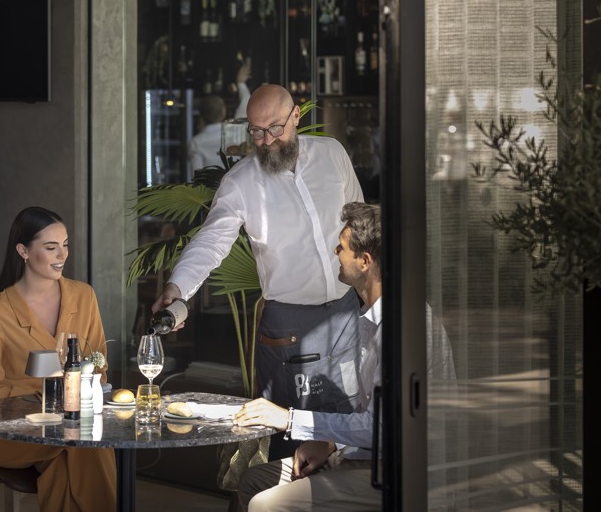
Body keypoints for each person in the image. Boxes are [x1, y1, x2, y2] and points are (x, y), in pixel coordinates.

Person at [154, 83, 365, 457]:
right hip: (288, 324)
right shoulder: (241, 182)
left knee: (349, 417)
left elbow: (359, 221)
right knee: (290, 431)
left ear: (296, 116)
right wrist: (178, 287)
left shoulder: (332, 154)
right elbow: (211, 242)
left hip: (346, 312)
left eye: (275, 128)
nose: (266, 140)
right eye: (256, 130)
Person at [233, 203, 456, 511]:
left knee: (266, 505)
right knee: (253, 481)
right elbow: (372, 418)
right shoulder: (370, 319)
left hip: (404, 474)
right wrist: (331, 443)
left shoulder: (403, 327)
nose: (335, 252)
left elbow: (385, 428)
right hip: (366, 457)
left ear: (364, 261)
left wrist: (289, 419)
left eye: (342, 247)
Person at [0, 206, 115, 512]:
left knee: (67, 458)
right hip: (8, 429)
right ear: (23, 251)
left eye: (65, 245)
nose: (62, 255)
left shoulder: (84, 296)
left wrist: (79, 391)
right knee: (86, 445)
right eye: (51, 248)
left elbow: (99, 367)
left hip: (71, 425)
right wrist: (50, 393)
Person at [188, 60, 252, 172]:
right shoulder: (233, 132)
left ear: (201, 116)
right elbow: (246, 105)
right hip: (234, 187)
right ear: (223, 113)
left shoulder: (195, 143)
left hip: (208, 189)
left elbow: (196, 176)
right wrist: (240, 83)